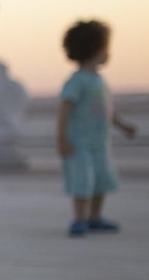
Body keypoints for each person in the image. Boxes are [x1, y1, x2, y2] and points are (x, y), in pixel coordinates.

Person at [57, 20, 137, 237]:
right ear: (96, 49)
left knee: (102, 177)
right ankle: (79, 218)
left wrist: (123, 126)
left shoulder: (99, 80)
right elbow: (65, 109)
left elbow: (107, 111)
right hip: (79, 142)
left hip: (99, 142)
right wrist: (62, 138)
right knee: (83, 179)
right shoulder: (76, 81)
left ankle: (94, 217)